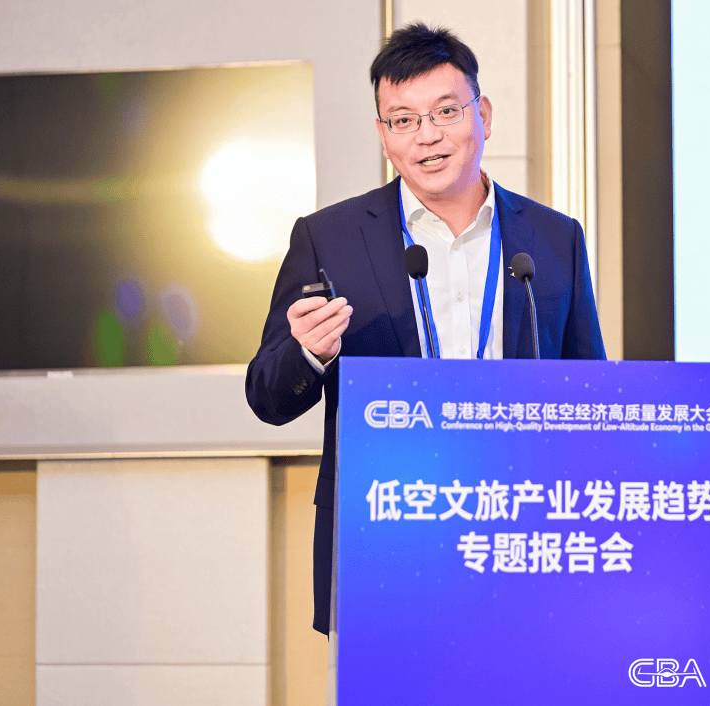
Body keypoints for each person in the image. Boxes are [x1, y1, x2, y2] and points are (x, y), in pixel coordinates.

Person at [245, 22, 605, 635]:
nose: (427, 136)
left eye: (445, 112)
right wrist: (308, 352)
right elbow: (266, 396)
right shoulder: (330, 238)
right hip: (385, 536)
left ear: (482, 115)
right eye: (404, 120)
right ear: (384, 136)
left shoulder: (553, 237)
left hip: (521, 529)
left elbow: (588, 392)